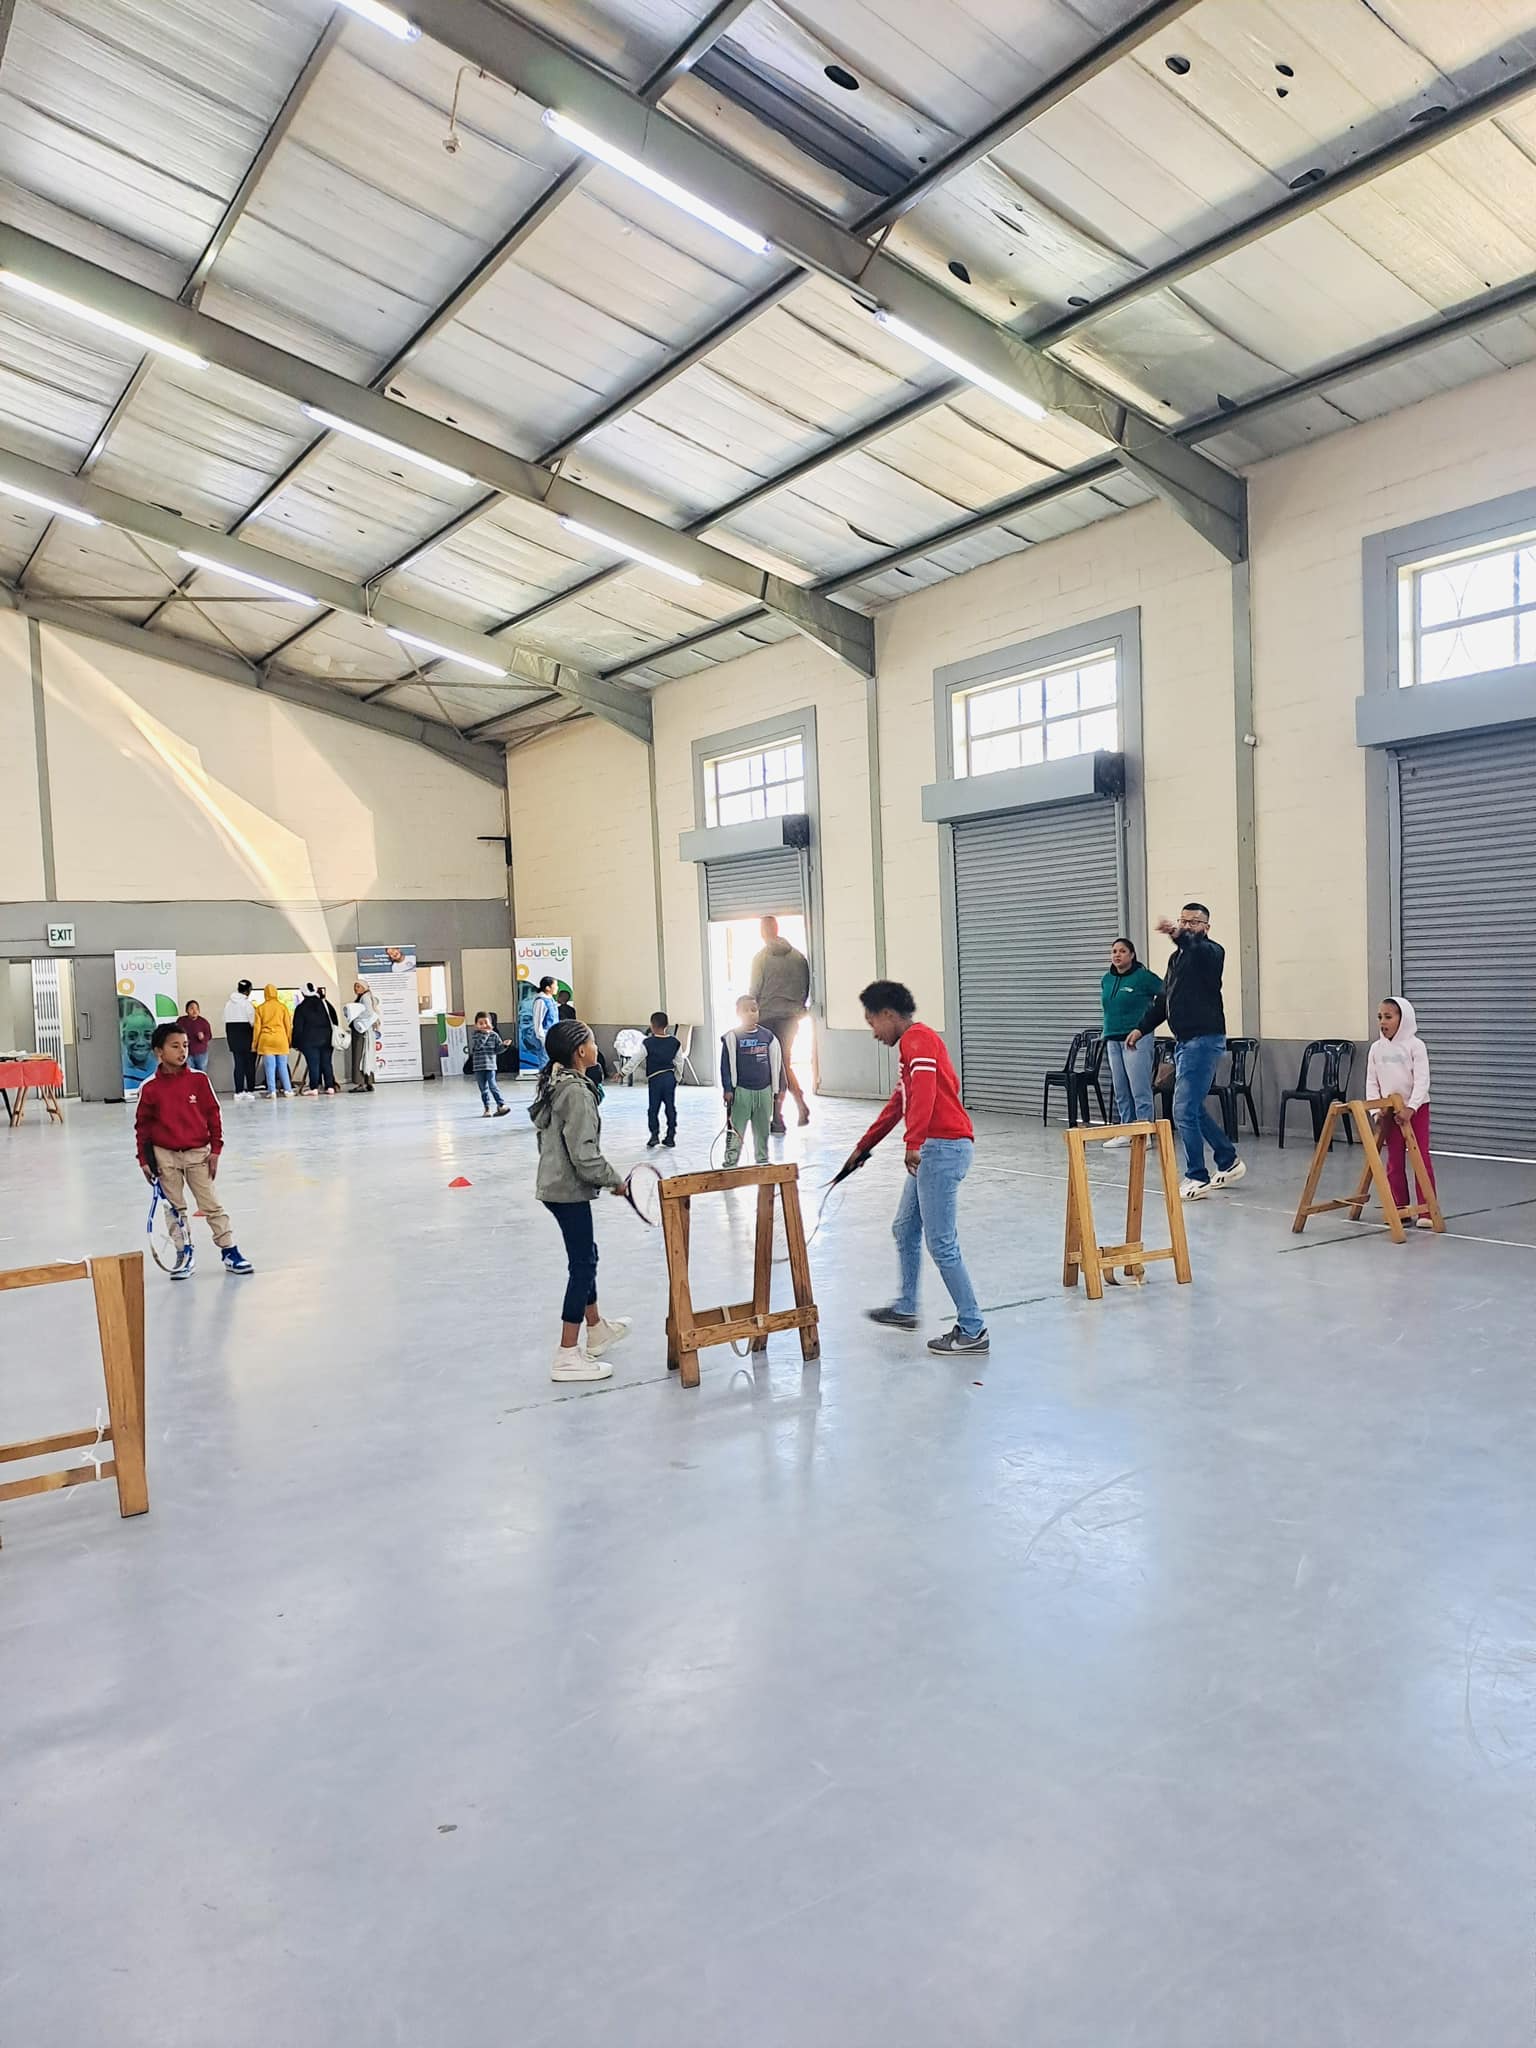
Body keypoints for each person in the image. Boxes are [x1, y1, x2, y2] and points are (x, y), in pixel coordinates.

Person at [844, 979, 987, 1355]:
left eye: (872, 1022)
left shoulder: (917, 1040)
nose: (874, 1033)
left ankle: (973, 1328)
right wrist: (863, 1147)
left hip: (942, 1149)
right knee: (905, 1228)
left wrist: (914, 1142)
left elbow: (924, 1093)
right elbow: (900, 1104)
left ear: (888, 1014)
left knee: (941, 1243)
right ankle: (906, 1307)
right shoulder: (913, 1047)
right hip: (935, 1148)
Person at [529, 1018, 631, 1383]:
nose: (596, 1046)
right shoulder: (575, 1092)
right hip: (566, 1190)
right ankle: (567, 1354)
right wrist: (615, 1180)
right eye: (592, 1041)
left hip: (556, 1185)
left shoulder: (559, 1082)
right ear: (580, 1051)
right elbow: (584, 1155)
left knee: (587, 1255)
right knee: (583, 1265)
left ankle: (596, 1328)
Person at [1127, 903, 1245, 1201]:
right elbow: (1163, 999)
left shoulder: (1211, 953)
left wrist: (1177, 934)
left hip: (1203, 1040)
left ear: (1206, 927)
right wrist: (1141, 1028)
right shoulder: (1176, 959)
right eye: (1183, 921)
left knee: (1182, 1109)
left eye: (1194, 922)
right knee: (1191, 1107)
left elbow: (1196, 947)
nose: (1188, 926)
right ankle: (1228, 1160)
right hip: (1184, 1042)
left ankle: (1197, 1176)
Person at [134, 1021, 253, 1278]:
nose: (182, 1051)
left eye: (185, 1046)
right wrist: (144, 1159)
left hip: (198, 1154)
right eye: (175, 1046)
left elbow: (213, 1114)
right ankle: (184, 1253)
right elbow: (142, 1126)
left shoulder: (199, 1080)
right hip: (164, 1157)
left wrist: (215, 1150)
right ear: (159, 1052)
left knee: (211, 1205)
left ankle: (229, 1250)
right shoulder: (150, 1088)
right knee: (174, 1209)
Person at [1366, 996, 1436, 1228]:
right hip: (1390, 1112)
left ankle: (1427, 1209)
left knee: (1420, 1158)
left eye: (1388, 1017)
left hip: (1415, 1109)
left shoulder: (1416, 1046)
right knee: (1394, 1160)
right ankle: (1400, 1207)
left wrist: (1411, 1107)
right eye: (1380, 1017)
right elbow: (1372, 1082)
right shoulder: (1376, 1049)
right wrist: (1376, 1111)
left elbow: (1422, 1080)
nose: (1383, 1022)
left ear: (1402, 1018)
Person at [748, 915, 811, 1133]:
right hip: (791, 1018)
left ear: (762, 932)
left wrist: (750, 1015)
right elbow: (805, 988)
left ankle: (777, 1116)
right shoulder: (798, 957)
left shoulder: (761, 958)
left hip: (767, 1019)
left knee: (775, 1067)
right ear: (777, 928)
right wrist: (796, 1008)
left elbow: (754, 990)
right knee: (784, 1063)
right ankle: (798, 1105)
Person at [1099, 939, 1163, 1149]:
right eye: (1114, 951)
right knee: (1121, 1088)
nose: (1117, 955)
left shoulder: (1143, 977)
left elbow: (1166, 993)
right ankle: (1126, 1130)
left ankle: (1144, 1132)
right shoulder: (1107, 979)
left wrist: (1145, 1024)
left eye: (1122, 951)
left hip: (1136, 1040)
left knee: (1139, 1087)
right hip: (1113, 1039)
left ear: (1132, 955)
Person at [721, 994, 782, 1166]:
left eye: (754, 1010)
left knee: (762, 1130)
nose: (750, 1013)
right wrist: (728, 1089)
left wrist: (777, 1089)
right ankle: (730, 1162)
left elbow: (777, 1064)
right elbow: (725, 1066)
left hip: (764, 1091)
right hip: (742, 1091)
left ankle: (762, 1160)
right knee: (736, 1130)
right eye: (745, 1011)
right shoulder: (732, 1037)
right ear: (738, 1013)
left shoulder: (768, 1037)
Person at [627, 1011, 683, 1149]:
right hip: (669, 1078)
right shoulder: (675, 1042)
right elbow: (679, 1063)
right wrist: (677, 1078)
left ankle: (654, 1136)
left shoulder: (648, 1043)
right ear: (667, 1025)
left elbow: (636, 1059)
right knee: (670, 1107)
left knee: (653, 1108)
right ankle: (670, 1136)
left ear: (652, 1025)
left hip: (655, 1079)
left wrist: (623, 1072)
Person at [292, 985, 337, 1096]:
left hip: (309, 1041)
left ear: (303, 993)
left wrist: (295, 1043)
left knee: (313, 1064)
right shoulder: (325, 1004)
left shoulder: (301, 1008)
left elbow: (298, 1028)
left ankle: (314, 1087)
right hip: (327, 1039)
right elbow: (334, 1020)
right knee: (327, 1063)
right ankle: (330, 1086)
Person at [252, 982, 294, 1098]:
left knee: (270, 1067)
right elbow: (288, 1026)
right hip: (281, 1039)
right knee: (282, 1066)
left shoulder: (260, 1008)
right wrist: (289, 1040)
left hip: (266, 1040)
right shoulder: (282, 1007)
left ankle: (272, 1091)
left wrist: (254, 1044)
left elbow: (257, 1028)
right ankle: (288, 1090)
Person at [470, 1011, 511, 1116]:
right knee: (483, 1089)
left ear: (491, 1024)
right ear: (476, 1025)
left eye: (486, 1023)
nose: (484, 1025)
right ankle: (487, 1108)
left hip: (491, 1066)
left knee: (493, 1086)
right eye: (481, 1023)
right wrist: (486, 1034)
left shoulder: (494, 1035)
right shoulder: (475, 1035)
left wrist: (504, 1046)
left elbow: (497, 1050)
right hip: (478, 1067)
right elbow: (478, 1045)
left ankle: (501, 1105)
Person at [223, 979, 257, 1100]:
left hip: (233, 1036)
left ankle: (238, 1091)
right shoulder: (247, 1004)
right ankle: (250, 1090)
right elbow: (253, 1022)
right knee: (249, 1065)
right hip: (246, 1036)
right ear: (248, 991)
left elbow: (224, 1019)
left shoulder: (228, 1004)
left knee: (238, 1065)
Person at [345, 980, 378, 1092]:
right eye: (355, 986)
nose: (356, 989)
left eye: (358, 986)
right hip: (365, 1031)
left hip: (361, 1032)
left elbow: (368, 1012)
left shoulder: (364, 998)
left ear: (364, 987)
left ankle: (361, 1083)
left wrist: (355, 1017)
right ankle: (368, 1082)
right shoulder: (366, 997)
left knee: (358, 1056)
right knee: (366, 1056)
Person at [532, 976, 561, 1046]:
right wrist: (542, 1039)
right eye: (555, 985)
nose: (557, 988)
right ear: (548, 988)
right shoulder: (541, 1001)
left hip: (553, 1036)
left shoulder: (551, 1000)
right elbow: (538, 1022)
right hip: (545, 1037)